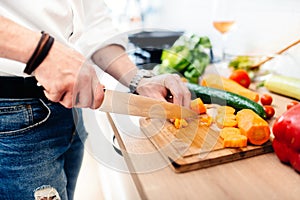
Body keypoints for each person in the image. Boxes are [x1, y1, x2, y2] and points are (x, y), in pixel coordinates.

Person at [0, 1, 191, 199]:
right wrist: (43, 53)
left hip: (68, 109)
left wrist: (138, 79)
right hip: (12, 118)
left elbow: (94, 23)